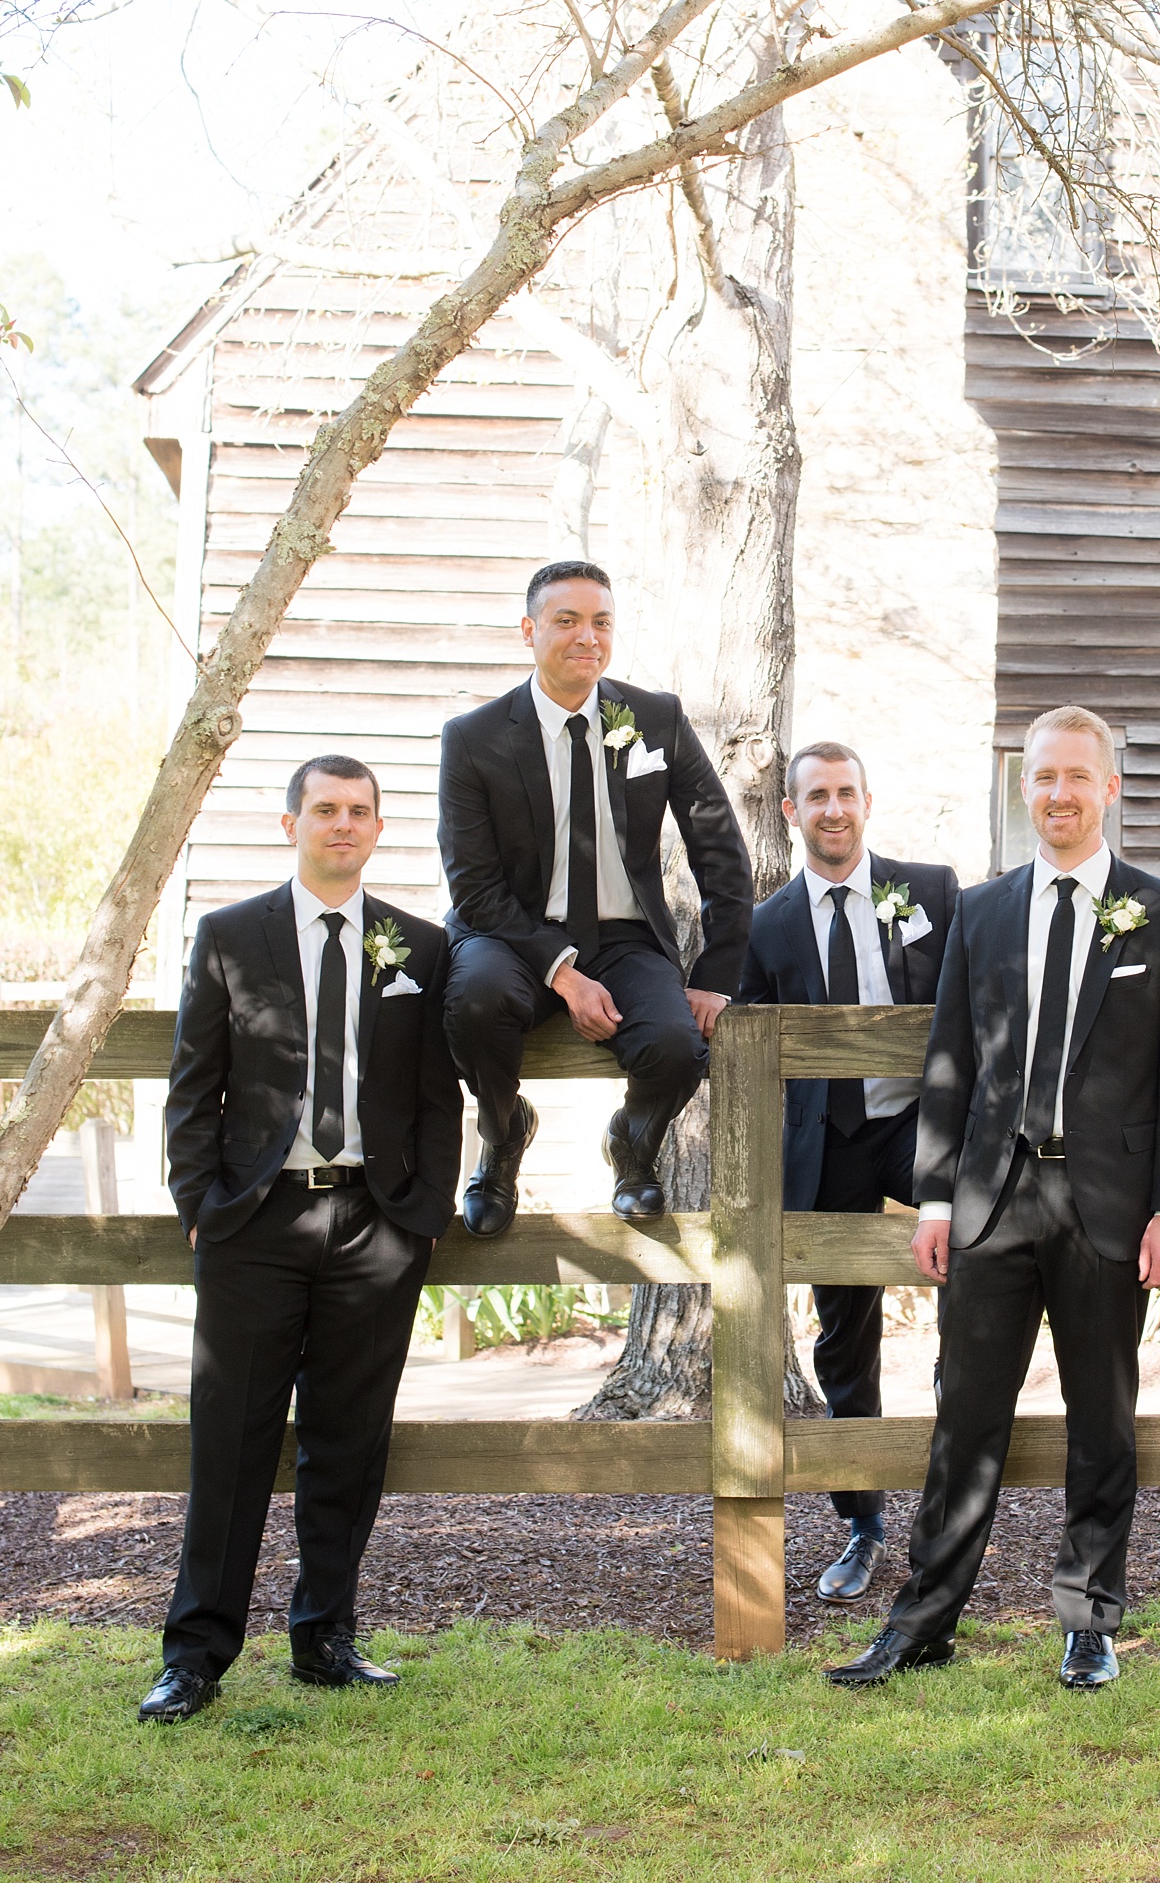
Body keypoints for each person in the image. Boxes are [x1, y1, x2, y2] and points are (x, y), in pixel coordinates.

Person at [825, 705, 1160, 1692]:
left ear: (1108, 787)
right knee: (964, 1418)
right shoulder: (983, 910)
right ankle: (921, 1624)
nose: (1058, 794)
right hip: (991, 1202)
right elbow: (948, 1057)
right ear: (1024, 787)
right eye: (1042, 777)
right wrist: (930, 1199)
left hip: (1107, 1210)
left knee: (1102, 1419)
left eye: (1077, 777)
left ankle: (1087, 1623)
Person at [139, 756, 461, 1725]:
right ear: (291, 824)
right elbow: (194, 1087)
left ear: (375, 828)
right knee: (228, 1440)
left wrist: (422, 1216)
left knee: (348, 1439)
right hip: (255, 1222)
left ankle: (324, 1636)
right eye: (325, 809)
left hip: (375, 1222)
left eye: (359, 811)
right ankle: (195, 1654)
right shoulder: (230, 935)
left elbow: (439, 1095)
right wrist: (200, 1200)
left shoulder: (420, 946)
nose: (342, 825)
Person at [438, 560, 753, 1232]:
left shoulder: (655, 718)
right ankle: (501, 1136)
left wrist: (717, 977)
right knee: (473, 999)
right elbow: (472, 884)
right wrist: (562, 972)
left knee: (676, 1043)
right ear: (529, 630)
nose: (588, 636)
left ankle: (632, 1145)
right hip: (509, 933)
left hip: (625, 936)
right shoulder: (474, 738)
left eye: (601, 621)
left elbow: (720, 850)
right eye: (568, 620)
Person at [738, 741, 960, 1605]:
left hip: (920, 1126)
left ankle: (955, 1420)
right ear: (791, 812)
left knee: (975, 1245)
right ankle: (862, 1523)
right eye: (814, 797)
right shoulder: (769, 924)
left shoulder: (931, 889)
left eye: (845, 793)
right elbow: (748, 1029)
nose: (833, 809)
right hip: (829, 1143)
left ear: (868, 800)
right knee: (844, 1335)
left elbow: (973, 999)